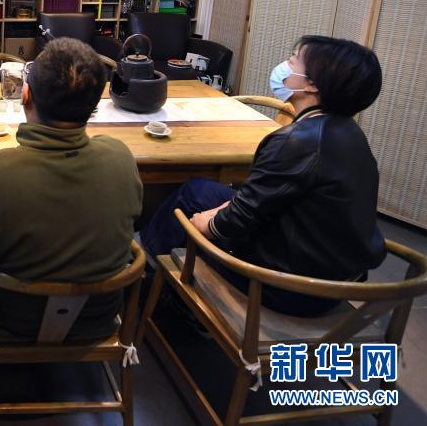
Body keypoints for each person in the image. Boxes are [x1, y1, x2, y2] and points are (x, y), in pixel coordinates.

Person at [142, 35, 386, 316]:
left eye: (294, 60)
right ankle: (157, 267)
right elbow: (265, 198)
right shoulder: (349, 134)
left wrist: (205, 224)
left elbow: (238, 220)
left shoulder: (297, 142)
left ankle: (149, 283)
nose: (286, 64)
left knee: (188, 216)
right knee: (197, 191)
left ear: (312, 84)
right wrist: (222, 209)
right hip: (334, 275)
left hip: (286, 285)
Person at [0, 38, 142, 339]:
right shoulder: (121, 158)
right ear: (94, 106)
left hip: (11, 314)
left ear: (25, 95)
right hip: (99, 314)